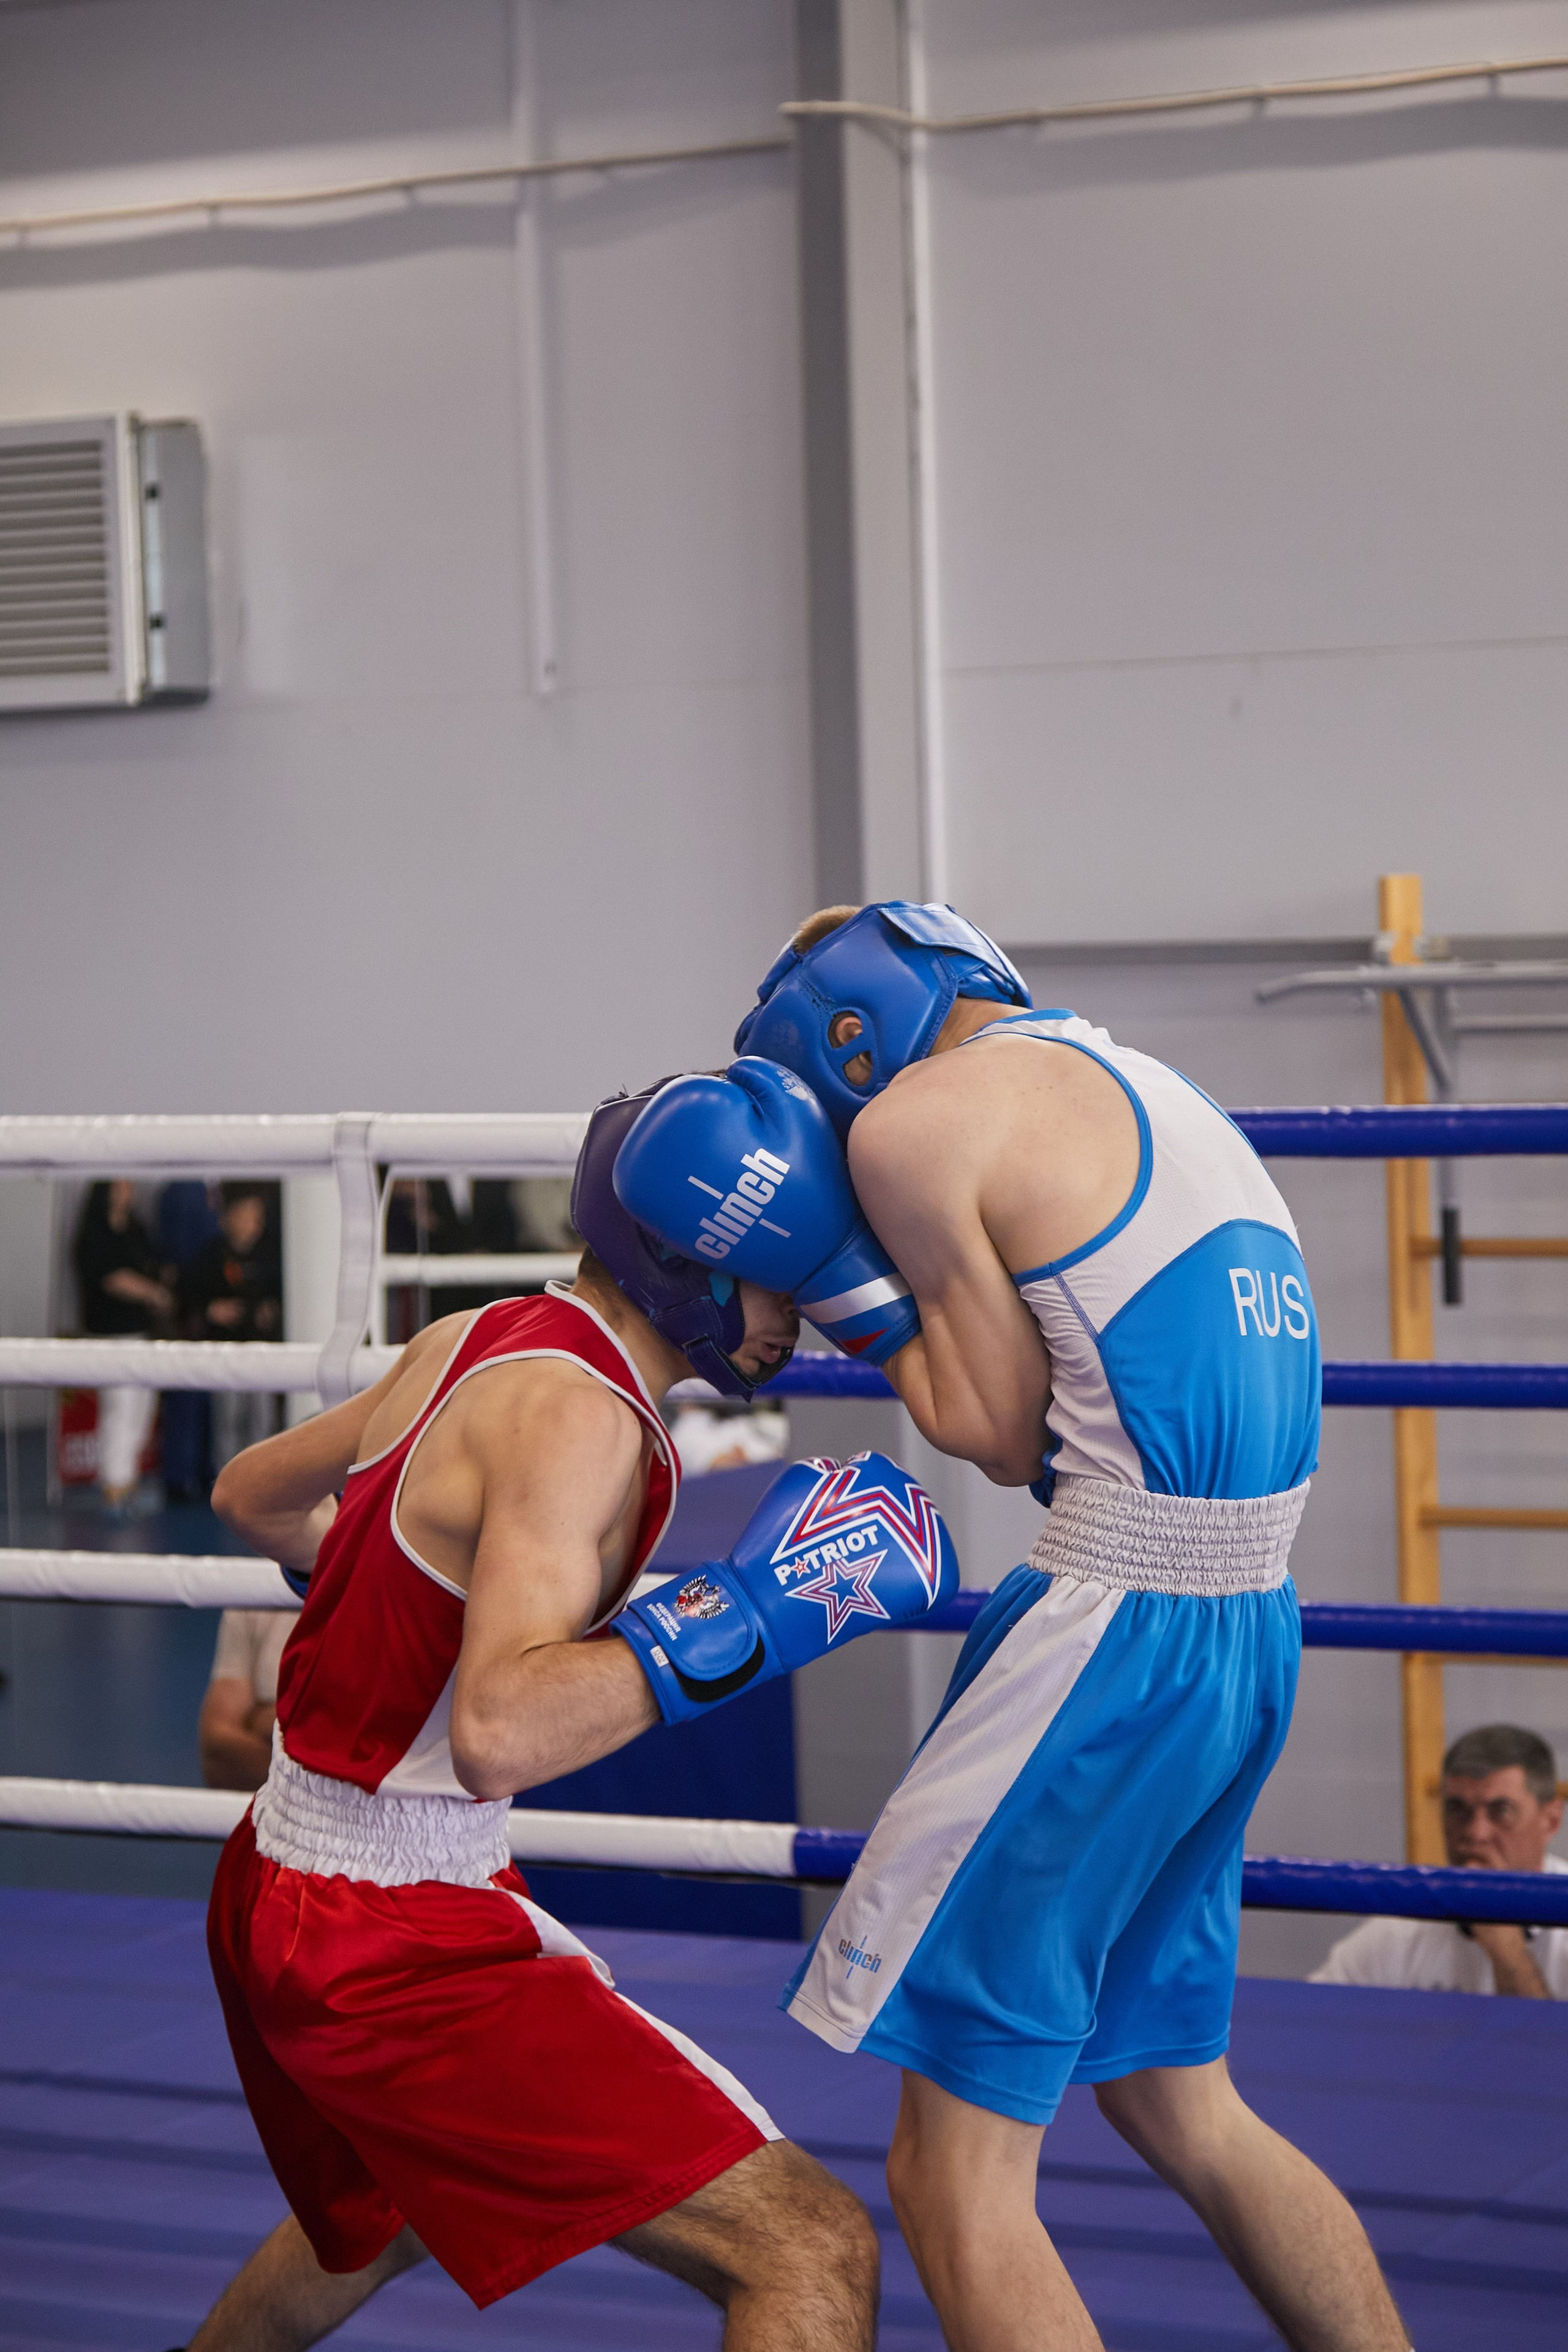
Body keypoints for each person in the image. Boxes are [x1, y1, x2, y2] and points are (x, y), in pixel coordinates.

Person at [616, 902, 1411, 2351]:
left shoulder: (913, 1122)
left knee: (950, 2176)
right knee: (1185, 2102)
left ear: (839, 1041)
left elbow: (985, 1428)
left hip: (1110, 1635)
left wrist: (837, 1275)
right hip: (1246, 1626)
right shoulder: (1159, 1091)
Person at [181, 1080, 957, 2352]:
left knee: (391, 2210)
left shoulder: (473, 1336)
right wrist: (756, 1611)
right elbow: (498, 1730)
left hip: (278, 1869)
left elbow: (250, 1500)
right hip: (387, 1937)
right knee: (806, 2245)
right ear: (687, 1259)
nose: (801, 1325)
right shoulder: (583, 1419)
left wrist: (395, 1602)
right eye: (780, 1282)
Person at [1313, 1724, 1567, 1998]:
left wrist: (1510, 1956)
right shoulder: (1402, 1929)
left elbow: (1549, 2043)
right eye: (1457, 1809)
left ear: (1551, 1820)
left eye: (1501, 1811)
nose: (1475, 1832)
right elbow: (1305, 2022)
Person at [72, 1178, 173, 1512]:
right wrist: (152, 1293)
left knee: (142, 1409)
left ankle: (128, 1482)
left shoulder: (135, 1229)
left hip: (140, 1330)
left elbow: (152, 1265)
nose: (129, 1190)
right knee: (120, 1407)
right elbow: (110, 1277)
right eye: (122, 1185)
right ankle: (114, 1486)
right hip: (108, 1334)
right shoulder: (93, 1233)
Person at [180, 1181, 283, 1470]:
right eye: (248, 1215)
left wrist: (272, 1309)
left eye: (257, 1216)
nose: (254, 1223)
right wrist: (212, 1311)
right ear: (230, 1218)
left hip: (261, 1349)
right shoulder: (212, 1255)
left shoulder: (271, 1254)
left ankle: (260, 1477)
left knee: (262, 1418)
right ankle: (228, 1480)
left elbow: (286, 1295)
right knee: (229, 1417)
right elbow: (188, 1298)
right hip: (225, 1349)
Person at [198, 1608, 293, 1792]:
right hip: (264, 1818)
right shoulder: (252, 1596)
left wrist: (258, 1719)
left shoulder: (364, 1604)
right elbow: (216, 1749)